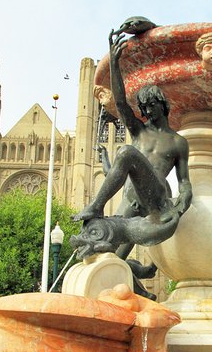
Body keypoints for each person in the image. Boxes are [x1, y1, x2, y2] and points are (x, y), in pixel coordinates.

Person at [74, 30, 192, 234]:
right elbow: (120, 103)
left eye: (151, 105)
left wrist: (183, 202)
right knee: (111, 248)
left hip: (155, 199)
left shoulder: (177, 142)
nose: (146, 111)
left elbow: (184, 182)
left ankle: (96, 205)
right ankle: (143, 268)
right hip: (131, 198)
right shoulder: (139, 131)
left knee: (127, 152)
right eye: (143, 107)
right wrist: (114, 64)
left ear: (162, 104)